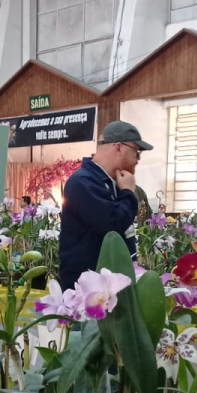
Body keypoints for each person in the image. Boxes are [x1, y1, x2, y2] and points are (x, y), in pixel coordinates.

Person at [59, 121, 153, 290]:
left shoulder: (112, 183)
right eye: (136, 152)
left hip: (110, 287)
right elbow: (112, 225)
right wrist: (128, 194)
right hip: (88, 293)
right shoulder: (83, 182)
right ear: (118, 148)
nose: (137, 160)